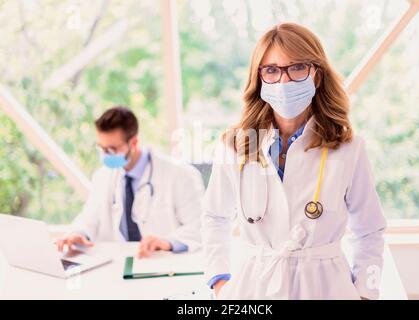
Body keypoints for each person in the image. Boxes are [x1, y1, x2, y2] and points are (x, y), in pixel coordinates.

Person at [202, 23, 386, 300]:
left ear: (317, 75)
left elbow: (370, 231)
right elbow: (215, 218)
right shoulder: (235, 146)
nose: (284, 81)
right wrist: (219, 280)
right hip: (253, 287)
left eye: (297, 67)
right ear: (259, 78)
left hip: (326, 287)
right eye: (272, 70)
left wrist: (366, 294)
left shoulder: (349, 148)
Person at [57, 106, 204, 257]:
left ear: (133, 143)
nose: (105, 155)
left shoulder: (180, 175)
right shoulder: (102, 177)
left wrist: (168, 242)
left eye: (112, 149)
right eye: (102, 148)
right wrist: (78, 233)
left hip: (166, 262)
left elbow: (199, 226)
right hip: (121, 264)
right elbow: (89, 216)